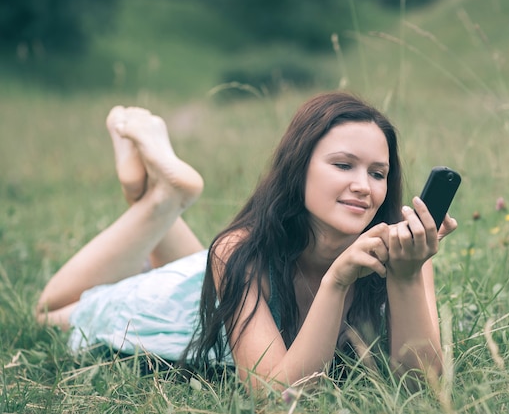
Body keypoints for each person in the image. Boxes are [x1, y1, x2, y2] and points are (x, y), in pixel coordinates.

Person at [36, 92, 457, 391]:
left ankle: (154, 192)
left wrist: (406, 278)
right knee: (50, 312)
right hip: (183, 303)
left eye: (377, 173)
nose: (363, 186)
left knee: (222, 258)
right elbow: (277, 395)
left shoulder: (405, 252)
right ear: (298, 168)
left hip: (233, 288)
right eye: (343, 165)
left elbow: (421, 387)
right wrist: (337, 279)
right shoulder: (240, 252)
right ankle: (167, 197)